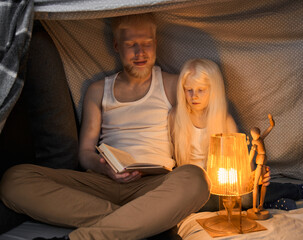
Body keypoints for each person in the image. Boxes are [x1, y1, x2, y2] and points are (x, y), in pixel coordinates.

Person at [0, 13, 210, 240]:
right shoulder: (98, 90)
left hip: (154, 186)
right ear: (117, 46)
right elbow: (85, 153)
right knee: (14, 180)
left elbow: (200, 123)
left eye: (147, 44)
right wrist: (105, 168)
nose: (140, 52)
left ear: (156, 44)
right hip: (102, 183)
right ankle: (147, 225)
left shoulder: (172, 84)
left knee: (196, 179)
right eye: (131, 45)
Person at [169, 58, 303, 212]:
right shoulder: (175, 117)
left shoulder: (224, 120)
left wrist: (254, 177)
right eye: (188, 90)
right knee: (195, 205)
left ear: (213, 91)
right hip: (194, 190)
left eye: (200, 90)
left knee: (243, 196)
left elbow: (242, 164)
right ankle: (266, 204)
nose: (194, 96)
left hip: (222, 186)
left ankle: (298, 191)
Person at [249, 113, 274, 213]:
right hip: (259, 163)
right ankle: (254, 206)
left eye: (256, 135)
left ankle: (261, 205)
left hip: (263, 163)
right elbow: (252, 152)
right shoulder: (254, 142)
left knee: (264, 184)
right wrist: (247, 162)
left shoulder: (260, 139)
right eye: (254, 135)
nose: (255, 136)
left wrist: (271, 120)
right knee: (255, 184)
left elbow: (270, 127)